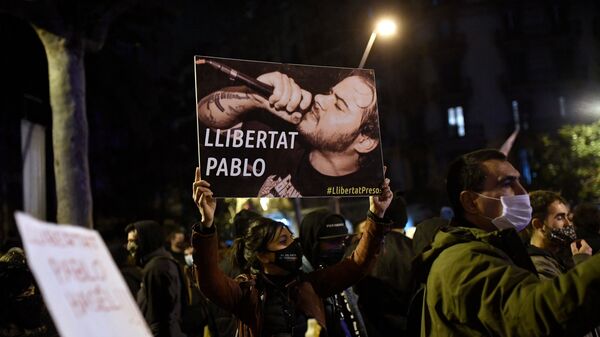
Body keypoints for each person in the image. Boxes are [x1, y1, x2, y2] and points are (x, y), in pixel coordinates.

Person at [414, 148, 600, 337]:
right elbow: (536, 317)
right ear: (471, 202)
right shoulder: (463, 262)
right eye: (508, 183)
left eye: (519, 181)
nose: (523, 193)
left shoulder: (486, 251)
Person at [191, 167, 393, 337]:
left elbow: (357, 265)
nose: (293, 244)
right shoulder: (246, 294)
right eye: (282, 241)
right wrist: (207, 225)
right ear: (263, 256)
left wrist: (377, 214)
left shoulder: (311, 285)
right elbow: (209, 280)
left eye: (291, 237)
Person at [196, 69, 382, 197]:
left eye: (339, 105)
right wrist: (253, 96)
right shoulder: (280, 141)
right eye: (330, 93)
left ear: (365, 140)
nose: (319, 98)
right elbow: (204, 114)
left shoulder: (367, 193)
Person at [350, 195, 416, 337]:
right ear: (403, 220)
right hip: (409, 327)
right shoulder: (416, 248)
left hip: (370, 328)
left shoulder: (358, 251)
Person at [299, 208, 368, 337]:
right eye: (333, 241)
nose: (341, 246)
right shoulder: (301, 281)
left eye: (343, 240)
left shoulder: (339, 269)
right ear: (313, 241)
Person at [126, 221, 187, 337]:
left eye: (132, 241)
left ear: (146, 240)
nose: (129, 246)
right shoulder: (163, 262)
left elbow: (159, 319)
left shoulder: (156, 269)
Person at [526, 190, 592, 278]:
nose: (568, 224)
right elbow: (570, 291)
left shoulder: (559, 257)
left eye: (567, 217)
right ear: (539, 225)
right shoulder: (538, 266)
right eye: (560, 217)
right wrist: (582, 262)